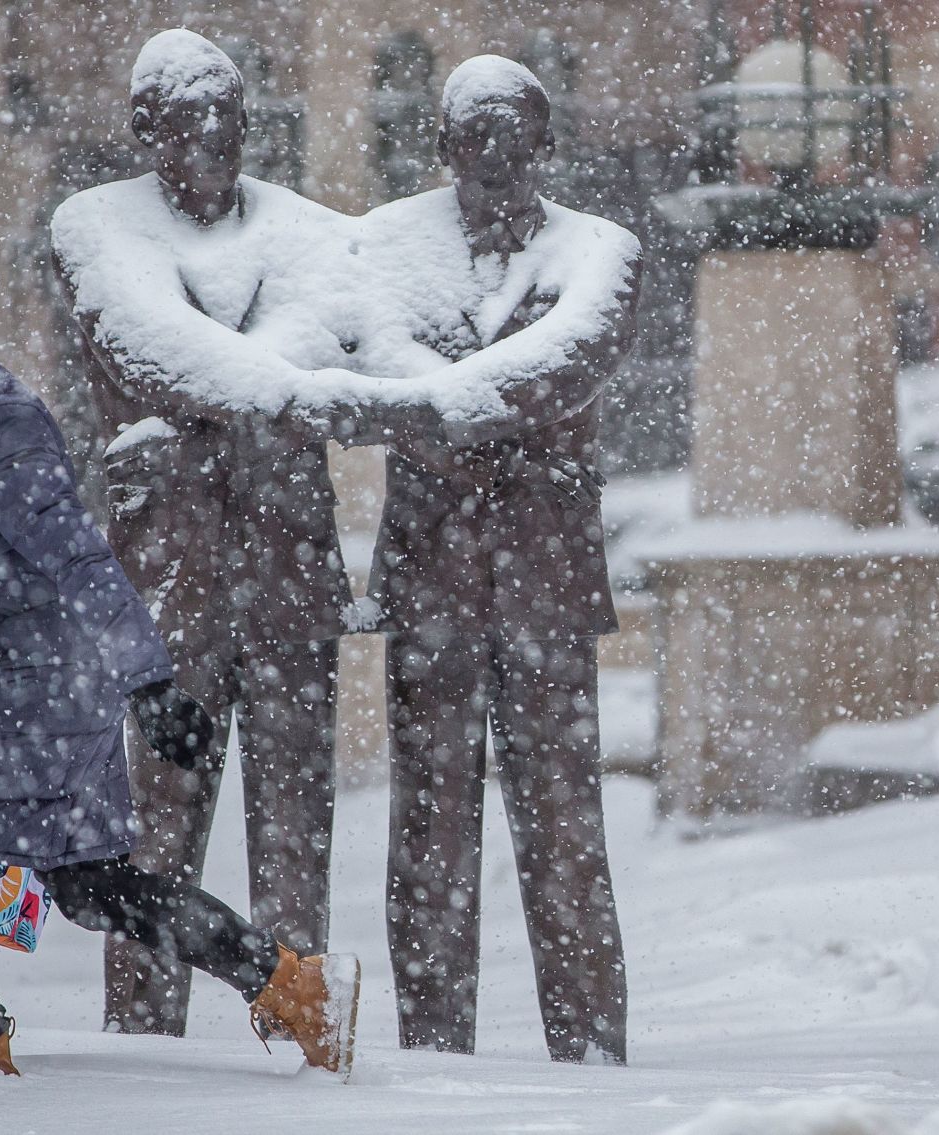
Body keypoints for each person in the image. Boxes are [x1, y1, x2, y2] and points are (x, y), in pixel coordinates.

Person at [0, 247, 358, 1076]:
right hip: (32, 685)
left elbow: (82, 561)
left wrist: (154, 684)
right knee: (92, 886)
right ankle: (296, 986)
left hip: (31, 690)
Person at [50, 28, 390, 1038]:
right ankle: (145, 1039)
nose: (213, 135)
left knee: (297, 831)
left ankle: (300, 1021)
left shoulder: (310, 233)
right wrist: (281, 391)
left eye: (227, 115)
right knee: (150, 841)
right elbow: (153, 356)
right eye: (190, 116)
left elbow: (324, 337)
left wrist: (225, 401)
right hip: (163, 593)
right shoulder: (95, 226)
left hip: (290, 575)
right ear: (146, 128)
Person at [353, 56, 643, 1064]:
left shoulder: (601, 251)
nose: (494, 154)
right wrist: (460, 408)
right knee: (427, 834)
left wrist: (445, 407)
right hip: (429, 581)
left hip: (548, 587)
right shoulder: (381, 246)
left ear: (547, 144)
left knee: (565, 834)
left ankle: (592, 1046)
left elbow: (570, 362)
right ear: (443, 145)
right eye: (474, 134)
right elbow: (374, 360)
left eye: (514, 135)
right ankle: (432, 1050)